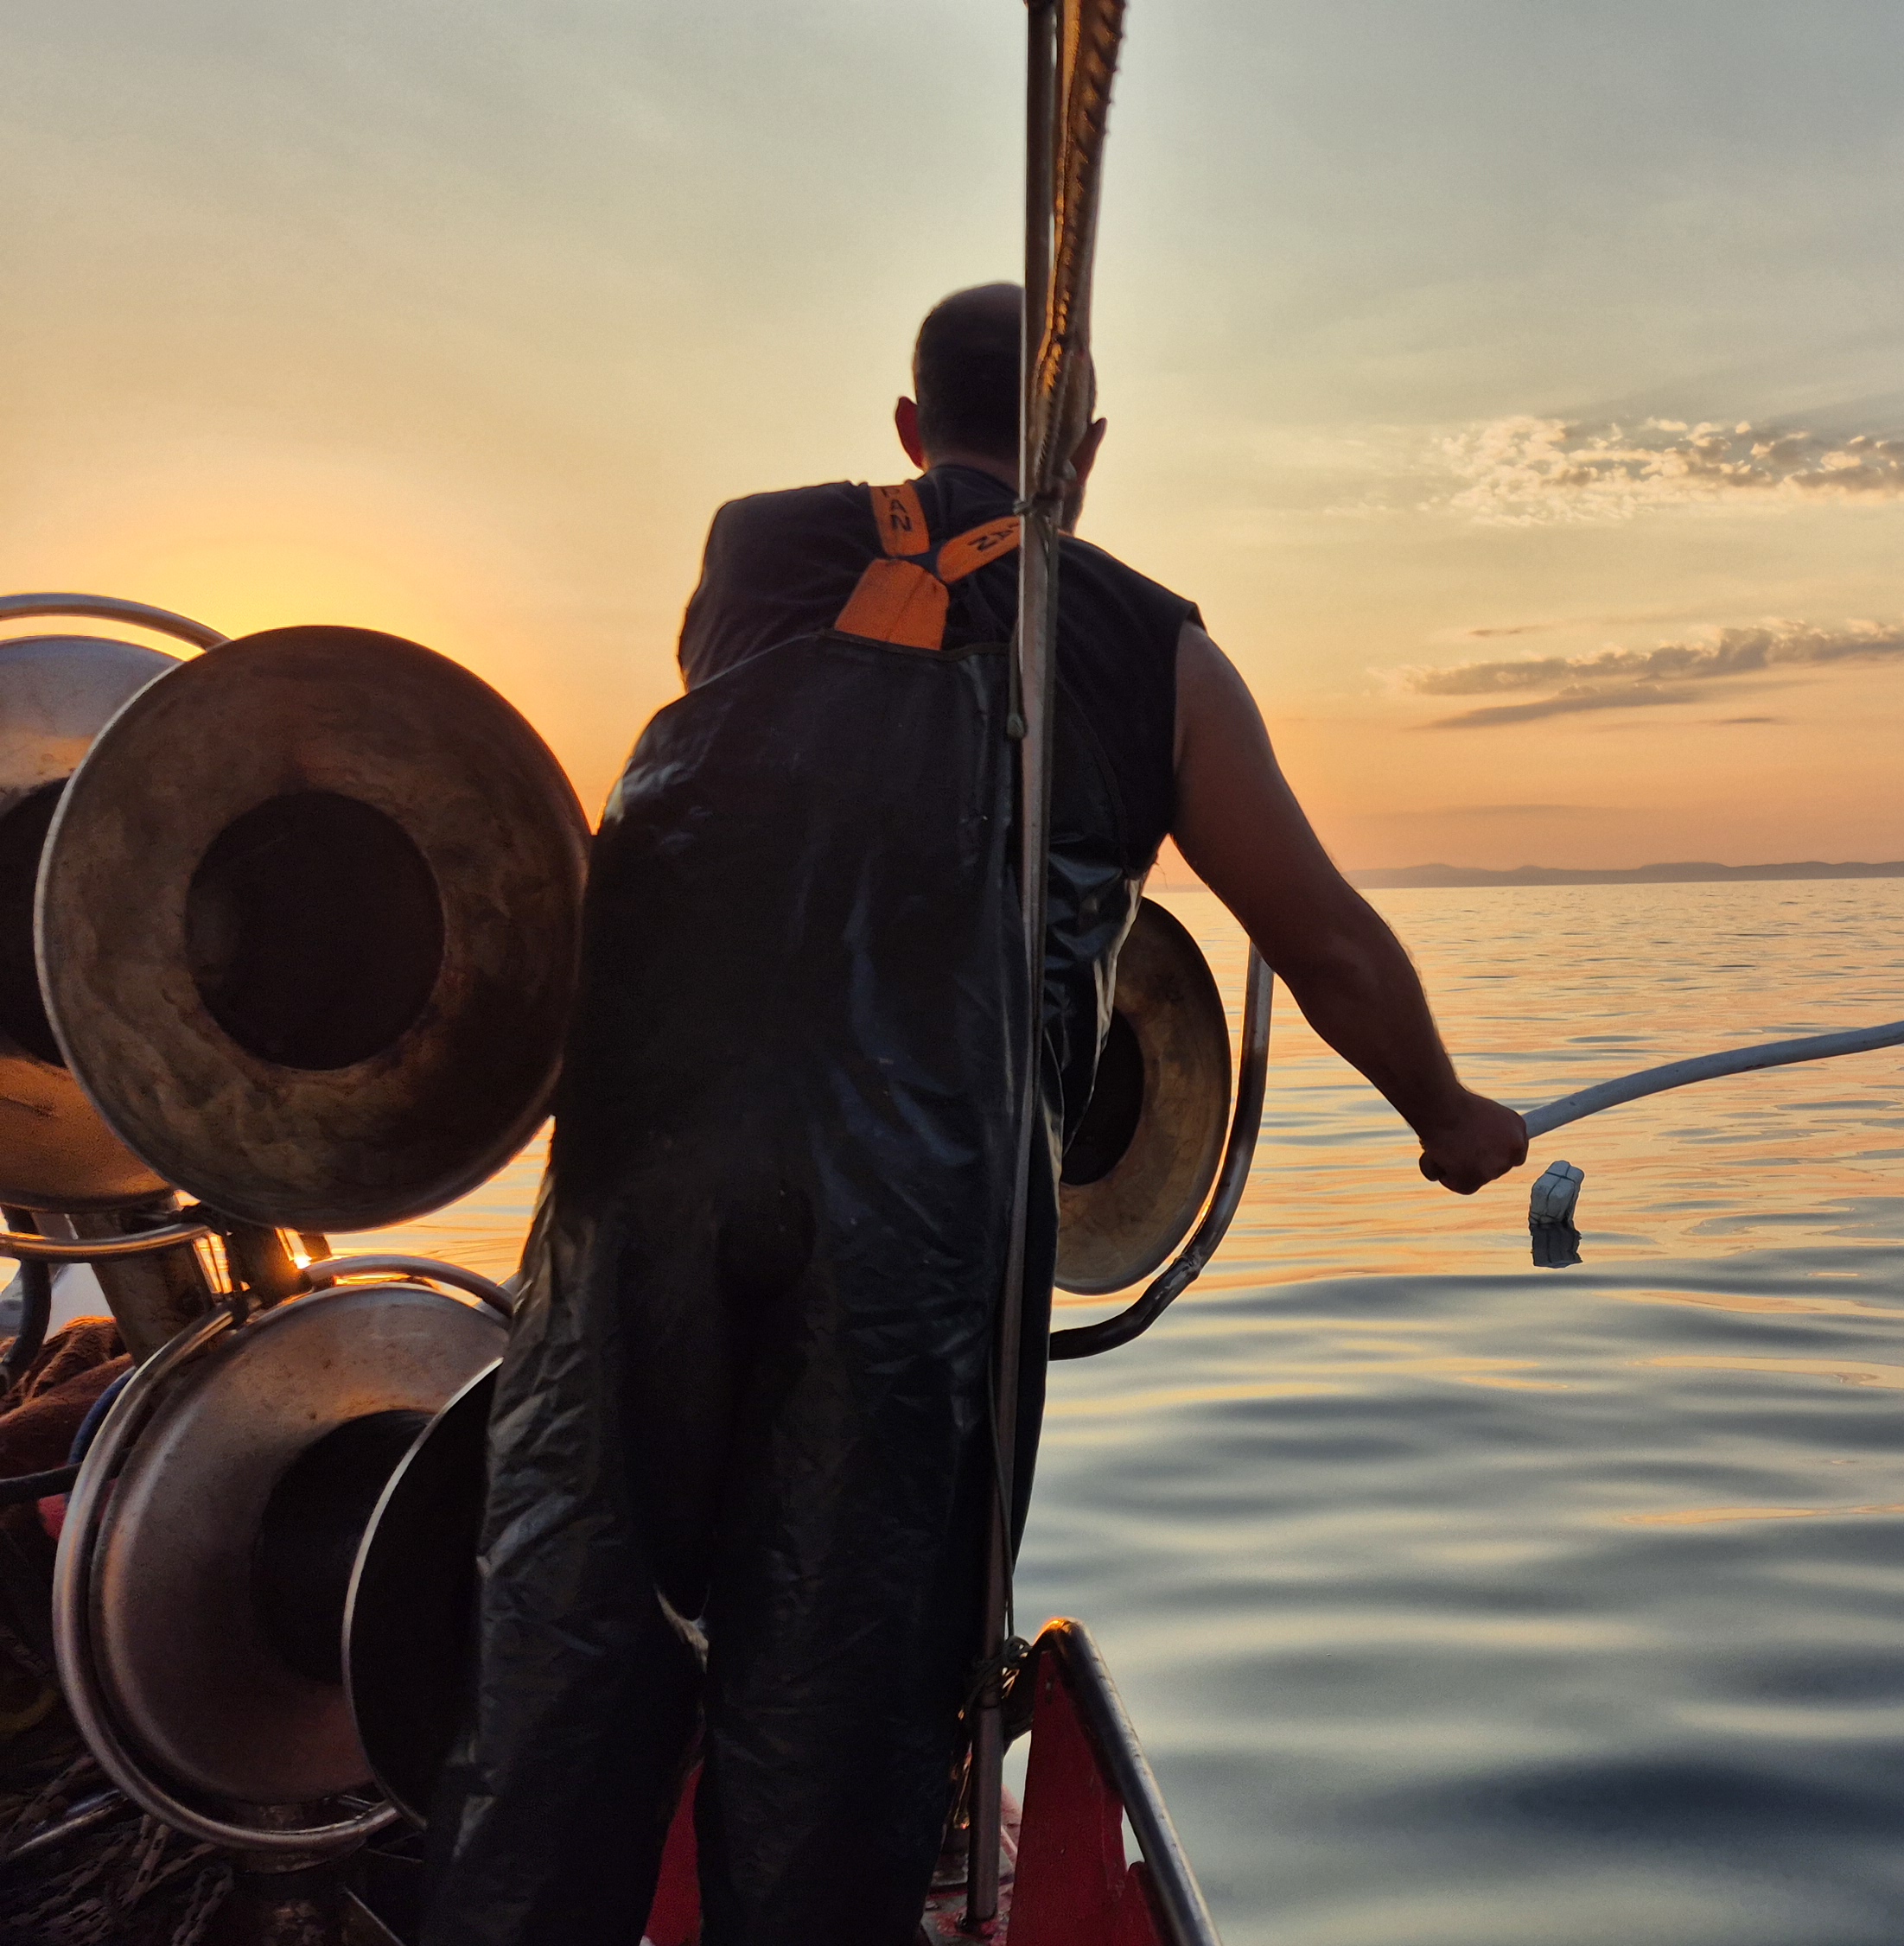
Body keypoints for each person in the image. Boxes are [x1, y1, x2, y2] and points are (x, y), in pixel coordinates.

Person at [427, 283, 1525, 1946]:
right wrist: (1447, 1113)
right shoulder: (1159, 650)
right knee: (840, 1710)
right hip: (917, 1238)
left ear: (908, 430)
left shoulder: (750, 553)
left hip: (641, 1181)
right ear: (1087, 451)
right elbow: (1323, 941)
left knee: (566, 1652)